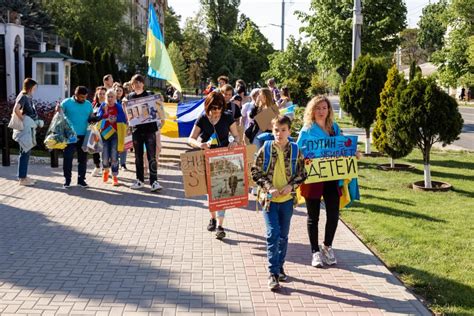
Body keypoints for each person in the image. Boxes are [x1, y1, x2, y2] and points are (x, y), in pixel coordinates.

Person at [296, 95, 360, 268]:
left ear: (329, 110)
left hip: (332, 177)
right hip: (313, 178)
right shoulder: (307, 130)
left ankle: (327, 246)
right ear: (312, 110)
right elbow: (298, 153)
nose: (321, 111)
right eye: (318, 108)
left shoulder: (335, 128)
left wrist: (353, 153)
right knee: (313, 216)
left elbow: (343, 148)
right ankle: (314, 252)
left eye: (324, 108)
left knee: (333, 214)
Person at [251, 115, 306, 290]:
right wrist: (269, 188)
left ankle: (280, 267)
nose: (279, 134)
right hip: (269, 200)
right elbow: (255, 172)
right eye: (276, 130)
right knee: (272, 234)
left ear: (289, 131)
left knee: (283, 236)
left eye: (283, 130)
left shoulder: (296, 150)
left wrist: (291, 186)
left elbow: (303, 173)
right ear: (272, 130)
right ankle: (272, 273)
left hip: (287, 200)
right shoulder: (266, 149)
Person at [188, 91, 241, 239]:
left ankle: (220, 225)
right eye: (214, 109)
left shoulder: (227, 116)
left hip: (223, 159)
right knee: (210, 192)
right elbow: (190, 139)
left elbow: (237, 136)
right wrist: (199, 144)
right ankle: (212, 217)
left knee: (221, 192)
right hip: (206, 157)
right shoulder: (203, 118)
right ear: (208, 107)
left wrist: (234, 142)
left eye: (219, 109)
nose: (217, 112)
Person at [124, 74, 162, 192]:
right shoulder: (130, 97)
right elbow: (128, 115)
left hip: (150, 130)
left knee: (152, 156)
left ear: (143, 84)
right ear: (132, 85)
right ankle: (139, 180)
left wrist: (160, 101)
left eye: (140, 82)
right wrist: (124, 105)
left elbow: (159, 108)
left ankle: (154, 181)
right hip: (137, 130)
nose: (138, 84)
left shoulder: (150, 95)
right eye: (135, 82)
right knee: (138, 156)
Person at [60, 86, 94, 188]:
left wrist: (94, 118)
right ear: (75, 95)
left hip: (84, 135)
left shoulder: (88, 104)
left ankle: (81, 180)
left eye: (85, 97)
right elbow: (59, 115)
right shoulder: (66, 103)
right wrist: (58, 110)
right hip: (70, 136)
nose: (83, 99)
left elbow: (91, 116)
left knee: (83, 159)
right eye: (81, 97)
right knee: (68, 158)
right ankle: (67, 180)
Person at [12, 78, 41, 186]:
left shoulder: (28, 97)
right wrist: (23, 119)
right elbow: (16, 109)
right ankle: (22, 178)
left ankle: (23, 176)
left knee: (25, 152)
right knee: (24, 152)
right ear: (30, 87)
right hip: (25, 129)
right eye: (34, 87)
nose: (35, 89)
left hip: (29, 128)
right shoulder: (24, 96)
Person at [96, 89, 127, 186]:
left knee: (114, 156)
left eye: (111, 96)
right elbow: (98, 118)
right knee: (105, 156)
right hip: (104, 134)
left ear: (115, 98)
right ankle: (105, 170)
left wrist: (116, 118)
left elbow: (123, 117)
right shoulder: (103, 106)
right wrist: (105, 114)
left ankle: (115, 176)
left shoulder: (118, 106)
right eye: (108, 96)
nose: (109, 98)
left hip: (115, 134)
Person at [91, 86, 107, 177]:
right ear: (96, 94)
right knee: (95, 149)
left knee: (105, 150)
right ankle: (97, 166)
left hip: (106, 130)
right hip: (95, 131)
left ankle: (105, 168)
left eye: (103, 94)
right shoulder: (93, 105)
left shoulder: (108, 104)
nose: (101, 95)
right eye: (100, 93)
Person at [114, 83, 128, 170]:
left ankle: (123, 164)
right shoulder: (111, 101)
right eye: (117, 90)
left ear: (123, 92)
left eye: (120, 90)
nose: (118, 92)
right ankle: (115, 162)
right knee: (114, 145)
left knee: (124, 145)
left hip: (123, 125)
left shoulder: (125, 101)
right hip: (113, 126)